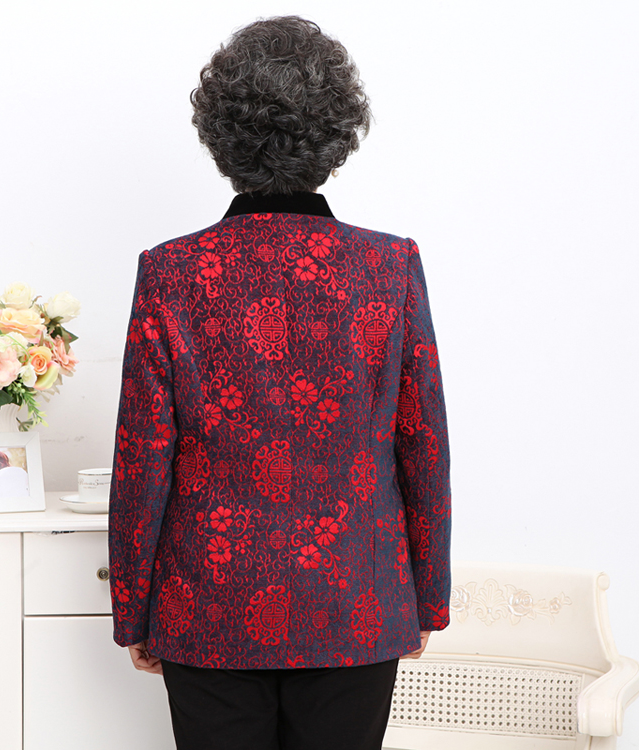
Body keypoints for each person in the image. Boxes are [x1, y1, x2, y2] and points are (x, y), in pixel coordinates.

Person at [109, 16, 451, 750]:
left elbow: (143, 457)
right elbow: (422, 442)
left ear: (222, 137)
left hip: (207, 604)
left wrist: (134, 608)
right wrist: (427, 598)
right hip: (356, 598)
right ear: (336, 137)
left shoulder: (172, 272)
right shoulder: (388, 267)